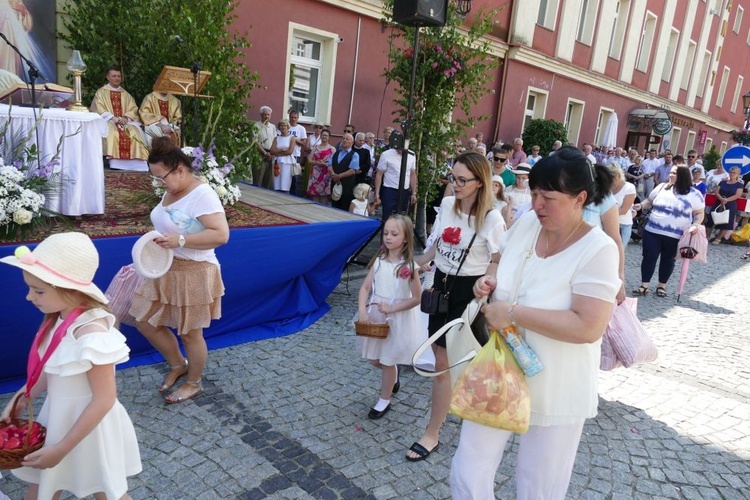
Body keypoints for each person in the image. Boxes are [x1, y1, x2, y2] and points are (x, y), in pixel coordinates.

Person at [451, 146, 620, 499]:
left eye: (549, 197)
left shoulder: (598, 250)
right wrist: (491, 277)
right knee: (468, 468)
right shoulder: (529, 222)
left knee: (539, 486)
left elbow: (589, 326)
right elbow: (499, 256)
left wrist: (512, 313)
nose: (538, 204)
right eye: (534, 193)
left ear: (581, 198)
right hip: (500, 368)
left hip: (557, 382)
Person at [0, 232, 142, 499]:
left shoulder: (92, 334)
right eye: (30, 288)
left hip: (90, 426)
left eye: (38, 290)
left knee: (106, 491)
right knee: (44, 487)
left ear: (69, 289)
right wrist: (24, 396)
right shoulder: (58, 318)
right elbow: (51, 367)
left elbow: (104, 399)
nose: (30, 297)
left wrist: (62, 448)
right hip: (60, 417)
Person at [407, 151, 506, 462]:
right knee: (442, 363)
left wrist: (487, 282)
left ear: (480, 182)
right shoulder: (447, 205)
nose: (455, 184)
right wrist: (416, 264)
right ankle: (434, 430)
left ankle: (443, 429)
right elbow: (435, 245)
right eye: (453, 177)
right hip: (441, 286)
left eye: (462, 180)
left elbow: (497, 260)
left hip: (469, 292)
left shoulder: (492, 218)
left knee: (458, 363)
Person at [130, 137, 230, 403]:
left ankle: (194, 382)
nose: (159, 183)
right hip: (166, 266)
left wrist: (180, 240)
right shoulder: (172, 189)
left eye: (161, 177)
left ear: (181, 170)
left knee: (189, 332)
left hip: (195, 270)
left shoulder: (202, 194)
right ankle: (177, 364)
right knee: (144, 320)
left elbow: (221, 235)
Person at [357, 214, 423, 419]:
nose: (388, 237)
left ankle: (384, 400)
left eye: (394, 234)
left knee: (387, 360)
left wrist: (393, 309)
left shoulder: (409, 267)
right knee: (375, 359)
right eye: (386, 232)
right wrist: (362, 310)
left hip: (397, 318)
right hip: (377, 316)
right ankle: (393, 377)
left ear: (405, 238)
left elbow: (417, 298)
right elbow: (365, 287)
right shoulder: (378, 262)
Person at [632, 165, 704, 298]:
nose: (670, 175)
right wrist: (641, 205)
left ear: (682, 176)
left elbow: (699, 213)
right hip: (652, 231)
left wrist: (695, 225)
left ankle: (661, 286)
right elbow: (649, 201)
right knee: (648, 258)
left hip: (676, 235)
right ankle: (644, 285)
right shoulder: (662, 187)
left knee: (668, 260)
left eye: (674, 173)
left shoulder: (694, 194)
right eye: (670, 172)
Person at [91, 66, 149, 163]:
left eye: (119, 76)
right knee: (112, 132)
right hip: (108, 120)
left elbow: (133, 109)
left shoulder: (126, 94)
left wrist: (126, 118)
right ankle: (114, 162)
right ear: (108, 77)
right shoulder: (101, 92)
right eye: (114, 76)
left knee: (134, 132)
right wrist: (112, 118)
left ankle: (136, 162)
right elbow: (98, 107)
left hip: (125, 121)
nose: (117, 78)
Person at [374, 139, 417, 221]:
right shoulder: (386, 154)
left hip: (404, 190)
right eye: (399, 149)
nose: (400, 151)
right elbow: (379, 174)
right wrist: (377, 193)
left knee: (402, 217)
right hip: (389, 190)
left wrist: (414, 193)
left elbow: (413, 174)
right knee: (387, 216)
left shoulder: (411, 155)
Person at [708, 166, 744, 244]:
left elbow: (737, 195)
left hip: (731, 203)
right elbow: (717, 191)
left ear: (738, 174)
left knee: (726, 222)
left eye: (734, 173)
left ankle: (718, 238)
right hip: (719, 202)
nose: (732, 174)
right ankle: (707, 236)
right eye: (731, 172)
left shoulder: (739, 185)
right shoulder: (723, 182)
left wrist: (726, 200)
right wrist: (721, 199)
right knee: (711, 219)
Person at [328, 132, 360, 210]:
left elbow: (352, 170)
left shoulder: (355, 155)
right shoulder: (336, 153)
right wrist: (333, 174)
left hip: (347, 186)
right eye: (343, 139)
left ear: (352, 142)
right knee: (334, 205)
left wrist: (338, 176)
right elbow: (329, 165)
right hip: (335, 184)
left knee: (344, 206)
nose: (344, 140)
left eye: (347, 139)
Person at [608, 162, 637, 245]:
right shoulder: (606, 186)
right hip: (607, 224)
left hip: (622, 225)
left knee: (617, 254)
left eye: (610, 176)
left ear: (617, 175)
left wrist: (604, 213)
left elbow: (624, 210)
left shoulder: (629, 187)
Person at [306, 128, 335, 204]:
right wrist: (318, 163)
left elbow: (335, 162)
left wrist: (326, 164)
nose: (324, 137)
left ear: (329, 137)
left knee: (324, 195)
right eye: (322, 135)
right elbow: (309, 160)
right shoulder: (315, 147)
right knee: (314, 194)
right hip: (315, 173)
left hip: (326, 174)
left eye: (326, 135)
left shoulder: (332, 149)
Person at [270, 119, 297, 194]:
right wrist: (282, 150)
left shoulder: (292, 138)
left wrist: (278, 152)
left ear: (287, 127)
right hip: (277, 163)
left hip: (287, 163)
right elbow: (272, 151)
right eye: (281, 125)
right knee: (277, 184)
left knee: (285, 184)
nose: (282, 127)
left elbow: (289, 151)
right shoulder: (276, 138)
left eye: (284, 125)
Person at [253, 105, 276, 189]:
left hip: (270, 155)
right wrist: (264, 153)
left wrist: (270, 153)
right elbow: (255, 141)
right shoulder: (256, 126)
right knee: (258, 177)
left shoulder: (273, 127)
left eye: (268, 114)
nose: (266, 116)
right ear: (261, 115)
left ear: (270, 116)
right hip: (260, 154)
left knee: (268, 179)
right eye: (265, 114)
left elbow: (275, 140)